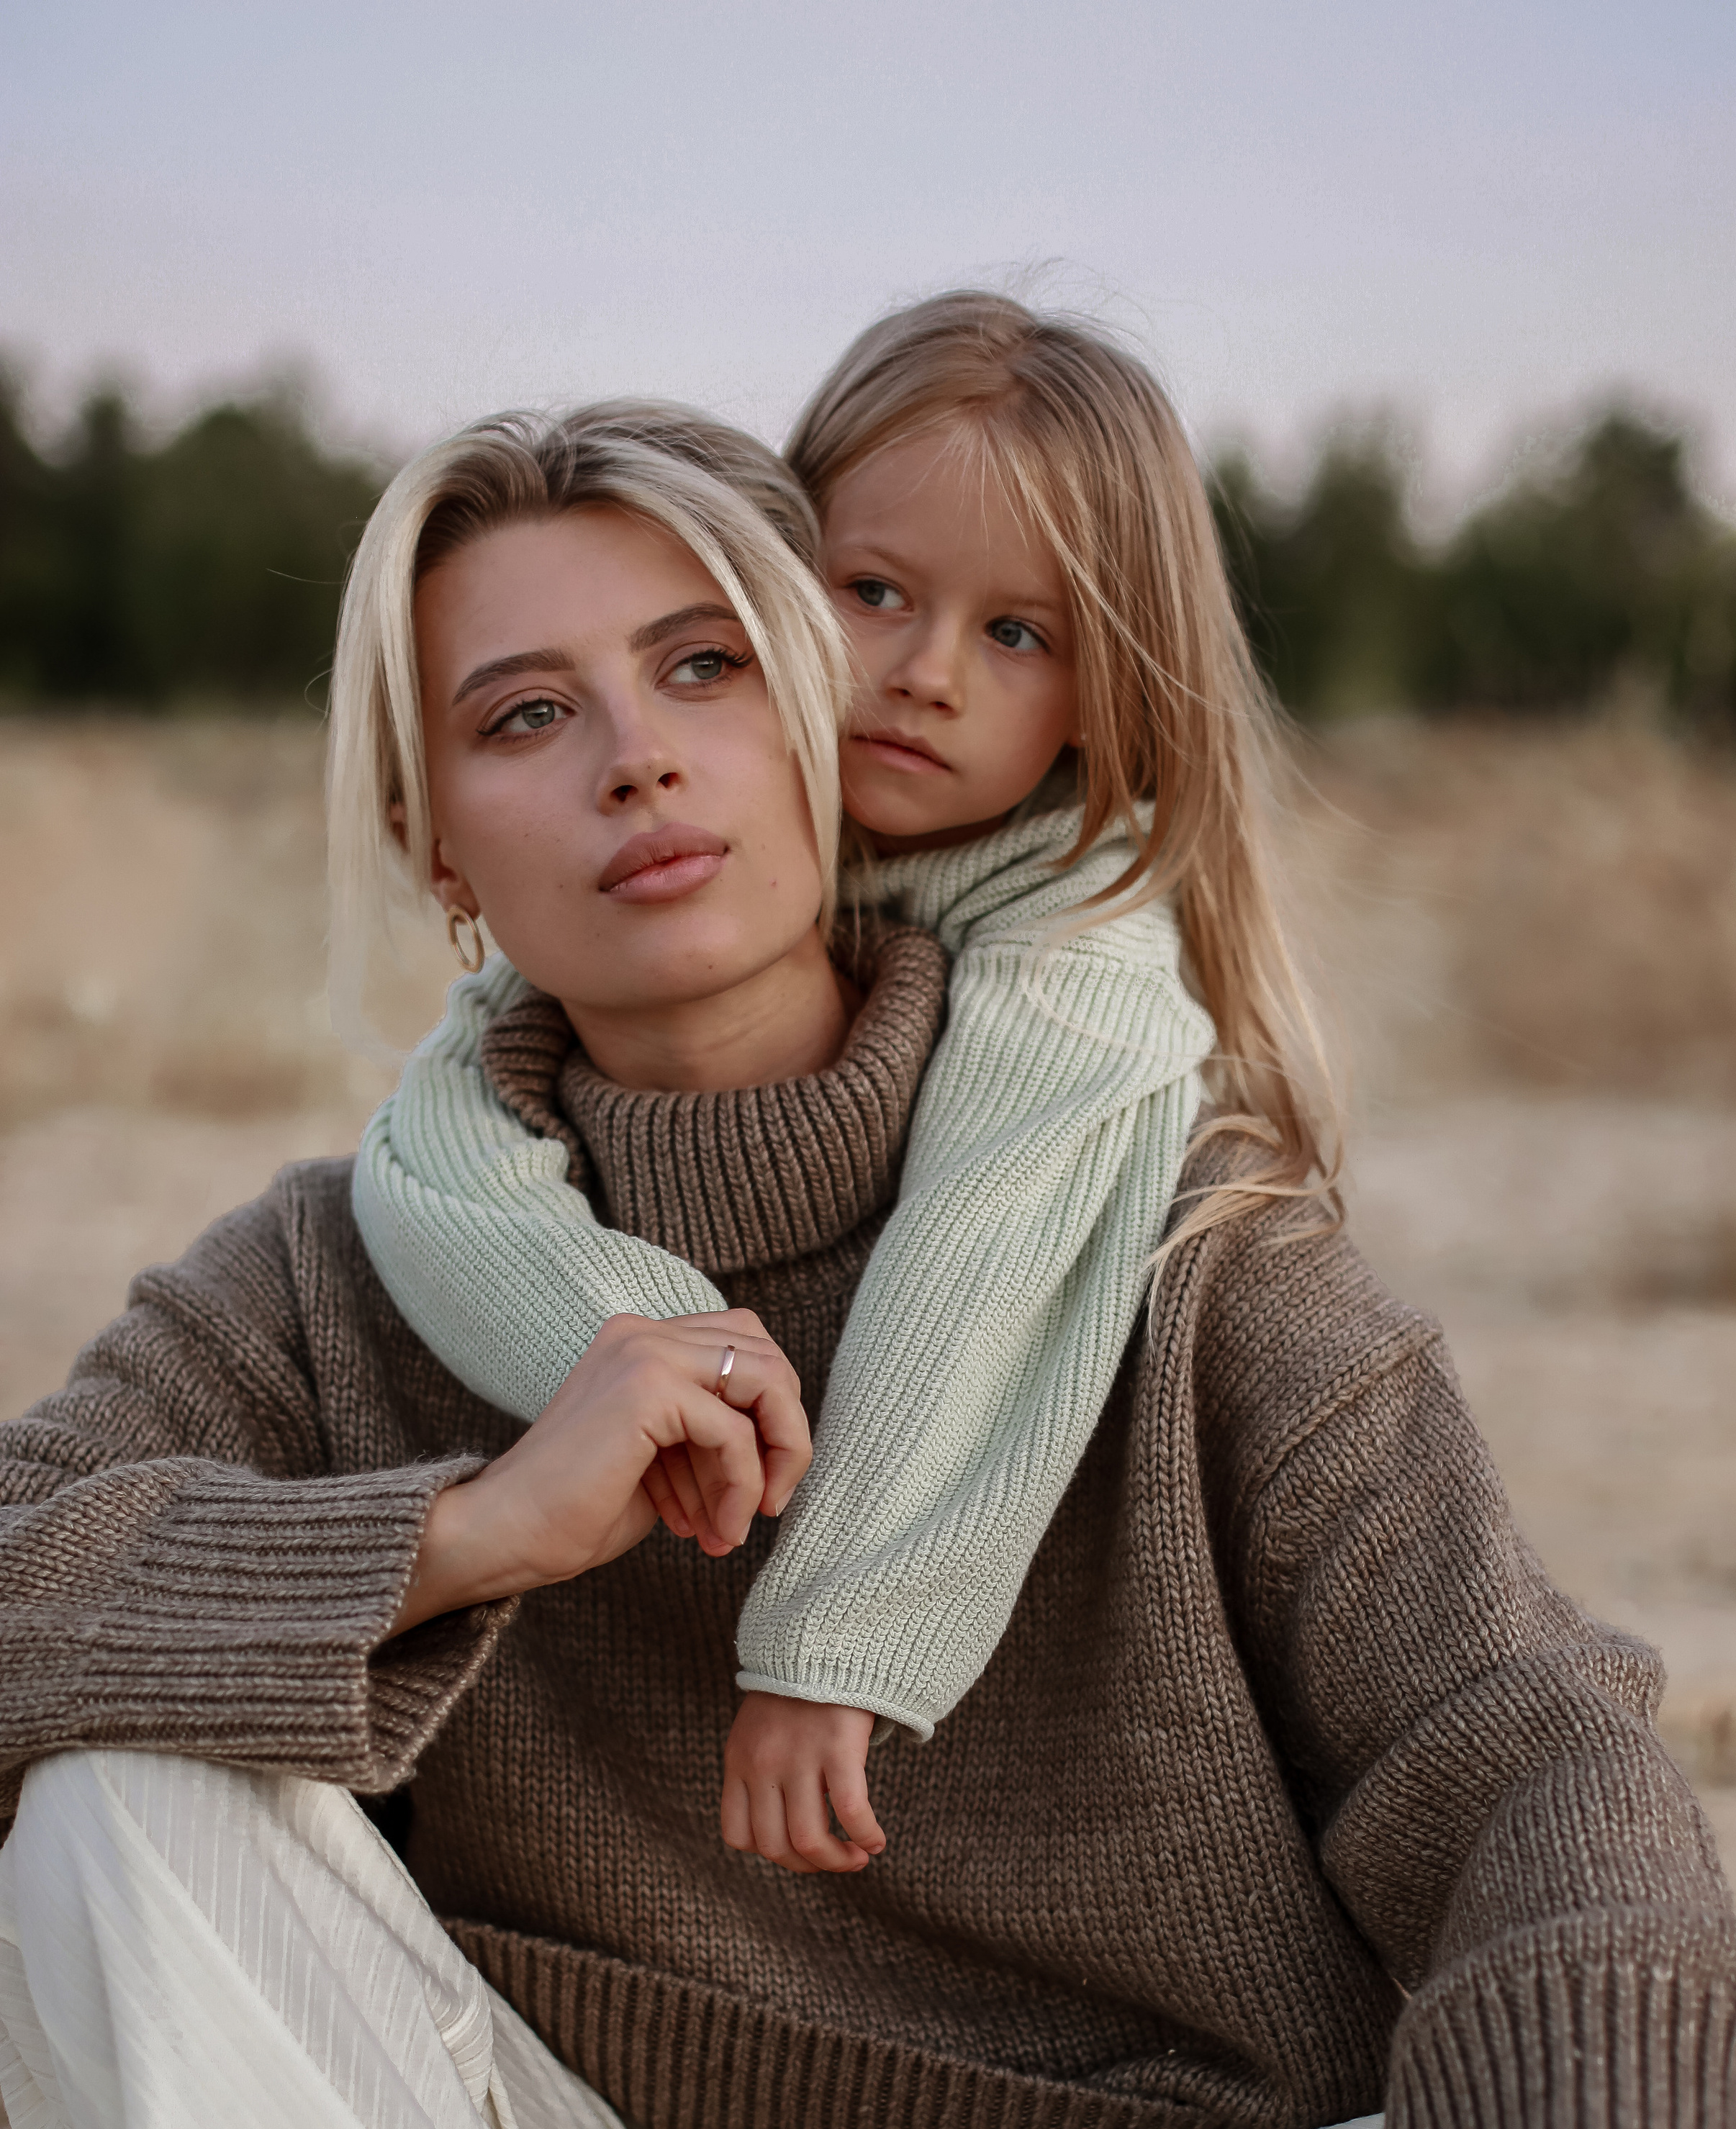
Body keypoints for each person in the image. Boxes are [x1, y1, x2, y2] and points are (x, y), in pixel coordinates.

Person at [0, 387, 1736, 2129]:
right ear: (442, 847)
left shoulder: (1198, 1249)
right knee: (112, 1814)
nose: (637, 761)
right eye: (527, 717)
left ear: (828, 728)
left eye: (706, 667)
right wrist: (476, 1529)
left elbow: (1528, 1752)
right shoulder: (336, 1274)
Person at [352, 294, 1277, 1875]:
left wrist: (826, 1642)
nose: (922, 676)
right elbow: (435, 1133)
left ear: (1105, 691)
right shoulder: (657, 878)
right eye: (870, 593)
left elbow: (980, 1265)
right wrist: (622, 1366)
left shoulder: (1075, 937)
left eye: (1016, 633)